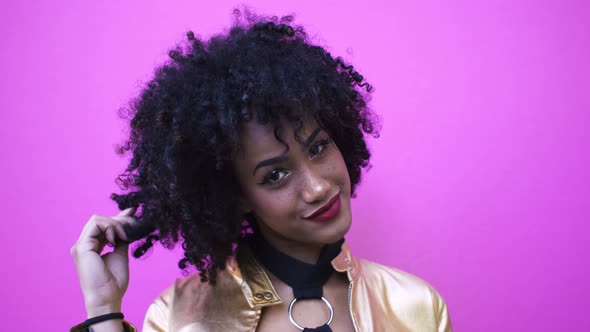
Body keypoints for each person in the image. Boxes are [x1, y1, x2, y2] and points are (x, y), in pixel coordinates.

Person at [70, 11, 452, 332]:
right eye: (275, 176)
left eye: (318, 147)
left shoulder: (414, 306)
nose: (318, 187)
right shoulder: (178, 315)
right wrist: (103, 309)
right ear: (235, 196)